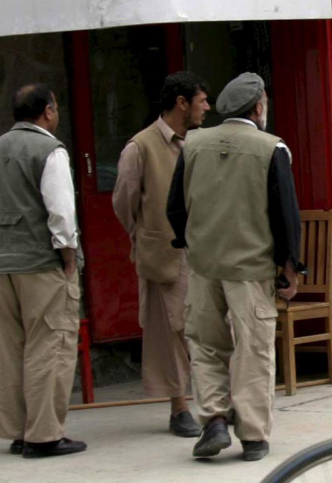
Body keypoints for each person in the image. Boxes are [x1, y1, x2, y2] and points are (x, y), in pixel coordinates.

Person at [166, 72, 303, 462]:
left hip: (204, 263)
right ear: (258, 107)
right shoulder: (272, 148)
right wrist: (289, 265)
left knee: (205, 345)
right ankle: (254, 437)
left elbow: (175, 206)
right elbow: (285, 215)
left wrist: (189, 242)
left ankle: (213, 421)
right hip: (252, 268)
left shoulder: (193, 144)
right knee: (253, 349)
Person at [0, 83, 87, 459]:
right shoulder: (50, 150)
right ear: (48, 111)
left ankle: (18, 431)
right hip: (41, 264)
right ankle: (44, 435)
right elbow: (61, 212)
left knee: (11, 349)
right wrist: (69, 259)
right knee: (50, 346)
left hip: (1, 264)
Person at [112, 71, 210, 437]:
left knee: (205, 325)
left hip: (202, 252)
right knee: (169, 330)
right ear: (181, 103)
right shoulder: (140, 147)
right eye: (201, 100)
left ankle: (213, 401)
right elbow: (123, 201)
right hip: (164, 254)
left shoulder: (198, 143)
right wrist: (145, 234)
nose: (207, 108)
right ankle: (179, 406)